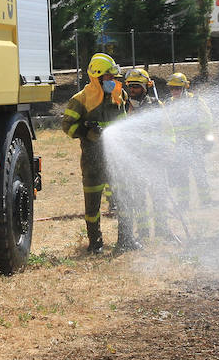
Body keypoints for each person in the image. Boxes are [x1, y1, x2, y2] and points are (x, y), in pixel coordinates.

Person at [62, 52, 131, 253]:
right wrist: (87, 132)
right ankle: (95, 243)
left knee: (124, 199)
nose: (113, 81)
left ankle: (126, 241)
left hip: (117, 159)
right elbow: (67, 126)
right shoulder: (80, 100)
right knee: (93, 206)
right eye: (109, 77)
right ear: (97, 76)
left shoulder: (120, 94)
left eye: (113, 77)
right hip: (93, 161)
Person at [119, 68, 176, 244]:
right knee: (139, 197)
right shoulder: (124, 107)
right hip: (135, 160)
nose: (132, 90)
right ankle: (143, 232)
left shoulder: (157, 106)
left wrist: (168, 150)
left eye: (136, 86)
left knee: (159, 195)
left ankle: (163, 229)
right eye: (130, 86)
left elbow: (169, 130)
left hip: (156, 158)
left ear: (145, 87)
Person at [163, 71, 213, 207]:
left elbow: (207, 119)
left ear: (184, 88)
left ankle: (206, 201)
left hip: (195, 143)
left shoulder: (195, 101)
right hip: (178, 145)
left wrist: (205, 138)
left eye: (178, 88)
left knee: (199, 173)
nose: (174, 91)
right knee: (181, 175)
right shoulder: (167, 104)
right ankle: (183, 203)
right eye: (172, 88)